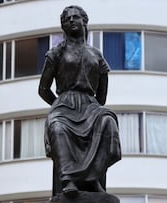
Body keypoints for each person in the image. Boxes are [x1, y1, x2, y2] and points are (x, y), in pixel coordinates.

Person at [38, 5, 121, 197]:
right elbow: (43, 89)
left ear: (84, 21)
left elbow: (102, 93)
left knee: (108, 122)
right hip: (64, 103)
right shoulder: (56, 53)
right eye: (67, 19)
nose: (72, 21)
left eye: (76, 17)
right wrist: (58, 105)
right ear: (63, 26)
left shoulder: (96, 54)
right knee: (58, 127)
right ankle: (69, 180)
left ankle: (93, 178)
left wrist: (93, 108)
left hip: (90, 105)